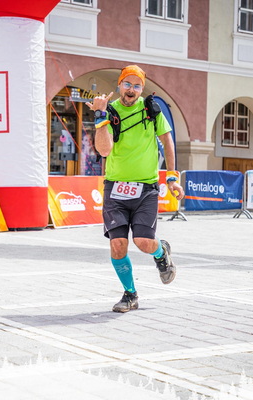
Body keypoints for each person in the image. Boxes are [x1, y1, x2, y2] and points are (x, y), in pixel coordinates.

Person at [86, 65, 184, 313]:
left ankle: (161, 252)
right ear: (119, 85)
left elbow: (168, 141)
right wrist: (100, 116)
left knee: (143, 241)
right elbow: (104, 150)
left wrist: (172, 177)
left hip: (146, 188)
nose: (131, 89)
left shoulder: (151, 110)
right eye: (127, 84)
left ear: (142, 88)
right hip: (115, 189)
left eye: (137, 85)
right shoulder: (109, 111)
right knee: (118, 245)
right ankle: (130, 294)